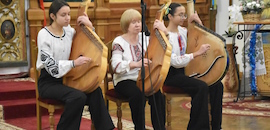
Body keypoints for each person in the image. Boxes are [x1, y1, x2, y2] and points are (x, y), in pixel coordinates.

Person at [36, 0, 115, 130]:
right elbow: (52, 67)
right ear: (53, 16)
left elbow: (89, 40)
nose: (68, 18)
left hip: (68, 78)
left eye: (68, 14)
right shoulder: (44, 34)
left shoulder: (69, 32)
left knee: (95, 90)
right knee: (78, 97)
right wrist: (74, 63)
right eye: (63, 15)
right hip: (49, 82)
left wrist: (90, 26)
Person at [163, 3, 224, 130]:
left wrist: (199, 24)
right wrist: (196, 54)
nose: (183, 17)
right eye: (180, 15)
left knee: (217, 84)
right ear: (170, 16)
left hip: (187, 71)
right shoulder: (165, 36)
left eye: (184, 14)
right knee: (200, 87)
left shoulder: (184, 31)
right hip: (172, 74)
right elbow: (174, 61)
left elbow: (201, 39)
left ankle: (217, 126)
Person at [110, 9, 169, 130]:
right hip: (124, 79)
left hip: (144, 78)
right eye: (133, 22)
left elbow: (164, 48)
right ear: (126, 25)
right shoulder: (119, 42)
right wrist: (136, 64)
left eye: (139, 21)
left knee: (157, 94)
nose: (137, 25)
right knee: (138, 95)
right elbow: (115, 66)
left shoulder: (145, 39)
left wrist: (165, 32)